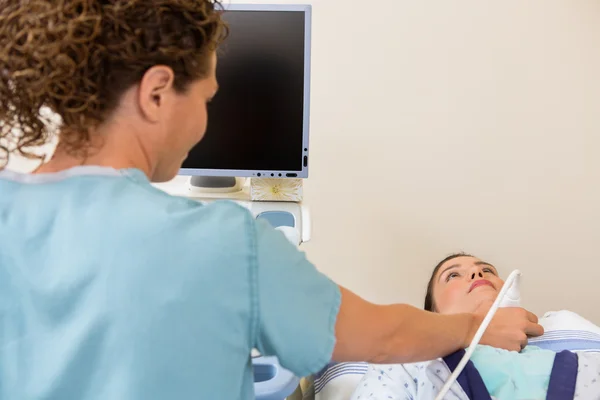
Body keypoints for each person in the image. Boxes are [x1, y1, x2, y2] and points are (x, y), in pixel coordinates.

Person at [0, 2, 543, 399]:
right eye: (209, 97)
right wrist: (475, 327)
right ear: (158, 91)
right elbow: (383, 336)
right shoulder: (223, 243)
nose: (206, 122)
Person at [350, 253, 600, 400]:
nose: (477, 274)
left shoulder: (577, 357)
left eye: (487, 270)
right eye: (452, 275)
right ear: (432, 314)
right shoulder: (407, 360)